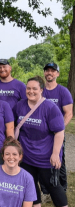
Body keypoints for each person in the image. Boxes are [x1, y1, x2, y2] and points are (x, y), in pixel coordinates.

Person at [13, 76, 75, 207]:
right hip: (27, 155)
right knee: (30, 183)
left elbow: (59, 133)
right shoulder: (19, 106)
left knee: (53, 185)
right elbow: (13, 126)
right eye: (28, 88)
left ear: (41, 90)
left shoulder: (50, 107)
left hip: (47, 156)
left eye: (35, 89)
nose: (31, 91)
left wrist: (56, 154)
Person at [42, 62, 73, 193]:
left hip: (56, 134)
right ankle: (45, 189)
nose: (50, 73)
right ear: (44, 73)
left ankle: (62, 187)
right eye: (47, 70)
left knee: (59, 160)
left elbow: (69, 113)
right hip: (42, 134)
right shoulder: (40, 90)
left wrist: (58, 130)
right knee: (43, 161)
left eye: (53, 71)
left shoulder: (63, 91)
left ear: (57, 74)